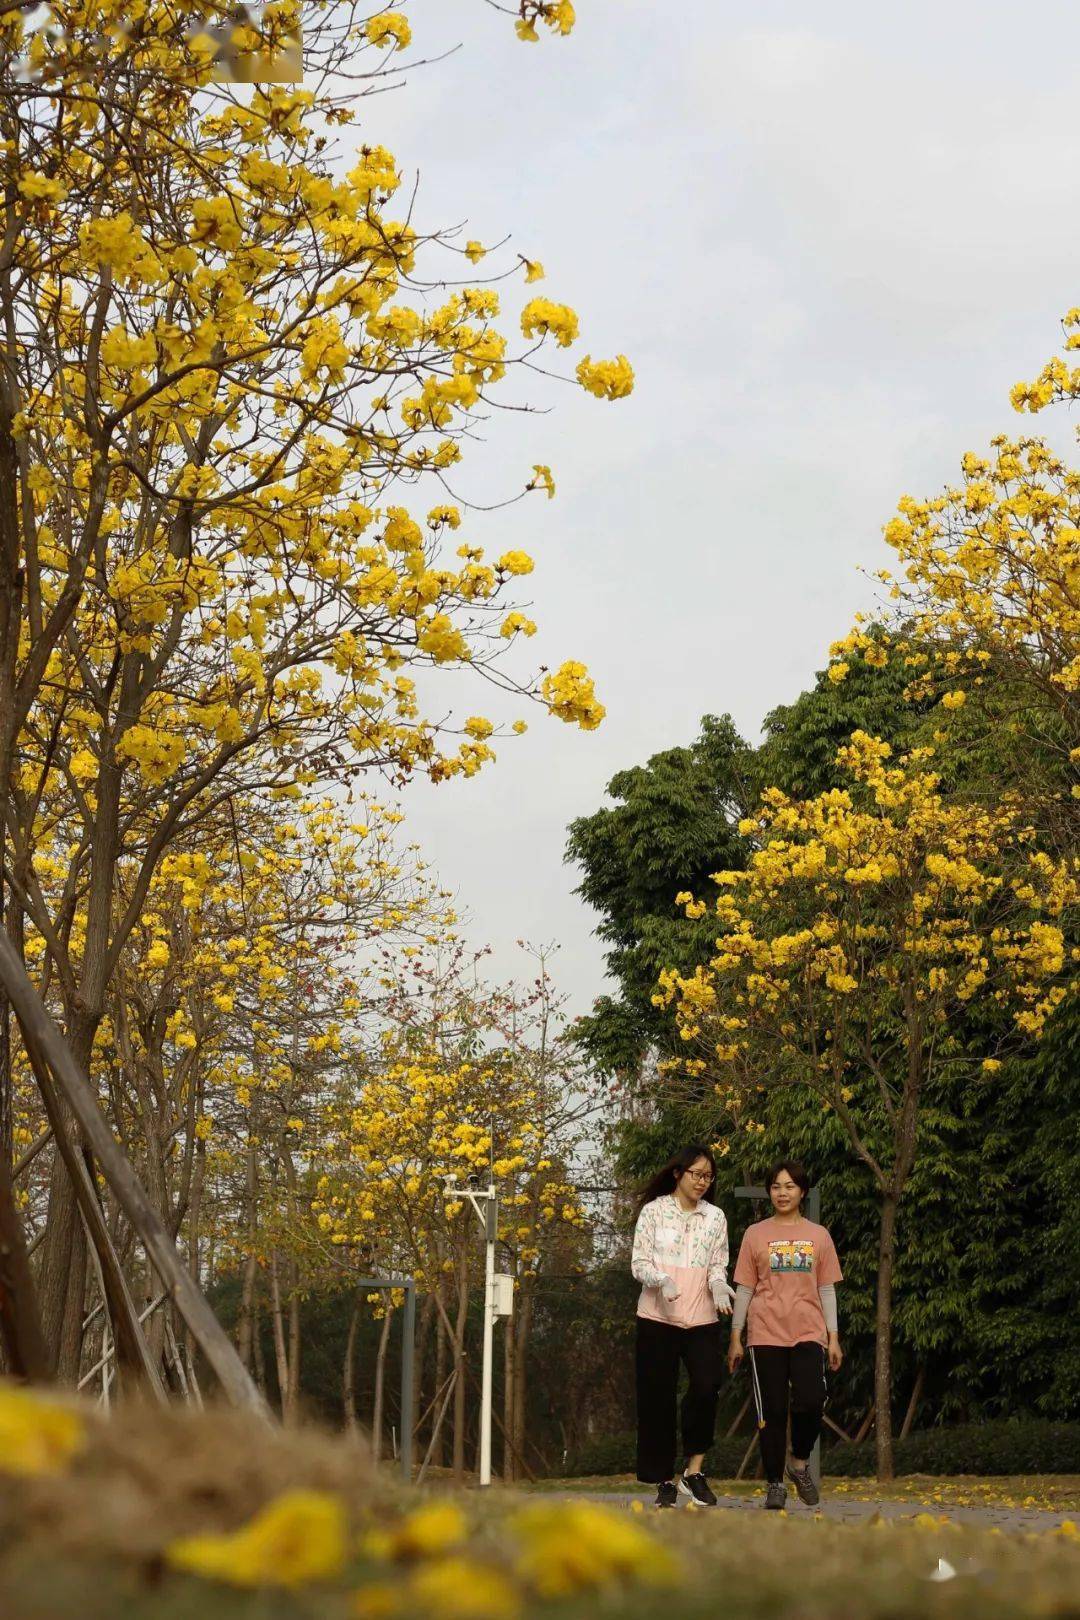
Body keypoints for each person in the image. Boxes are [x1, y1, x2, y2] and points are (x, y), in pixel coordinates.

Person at [727, 1159, 842, 1511]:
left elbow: (826, 1289)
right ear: (769, 1191)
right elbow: (745, 1288)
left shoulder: (818, 1235)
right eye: (776, 1186)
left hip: (809, 1331)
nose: (782, 1192)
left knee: (812, 1400)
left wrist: (833, 1336)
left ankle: (799, 1462)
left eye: (789, 1186)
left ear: (802, 1191)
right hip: (764, 1334)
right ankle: (775, 1483)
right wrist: (736, 1335)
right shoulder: (755, 1235)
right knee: (771, 1411)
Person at [631, 1144, 734, 1509]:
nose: (703, 1182)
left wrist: (719, 1284)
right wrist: (661, 1279)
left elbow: (718, 1263)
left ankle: (693, 1472)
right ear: (679, 1173)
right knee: (657, 1399)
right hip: (657, 1318)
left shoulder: (716, 1217)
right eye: (697, 1174)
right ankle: (663, 1480)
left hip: (701, 1318)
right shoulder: (654, 1212)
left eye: (708, 1176)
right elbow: (638, 1262)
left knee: (706, 1387)